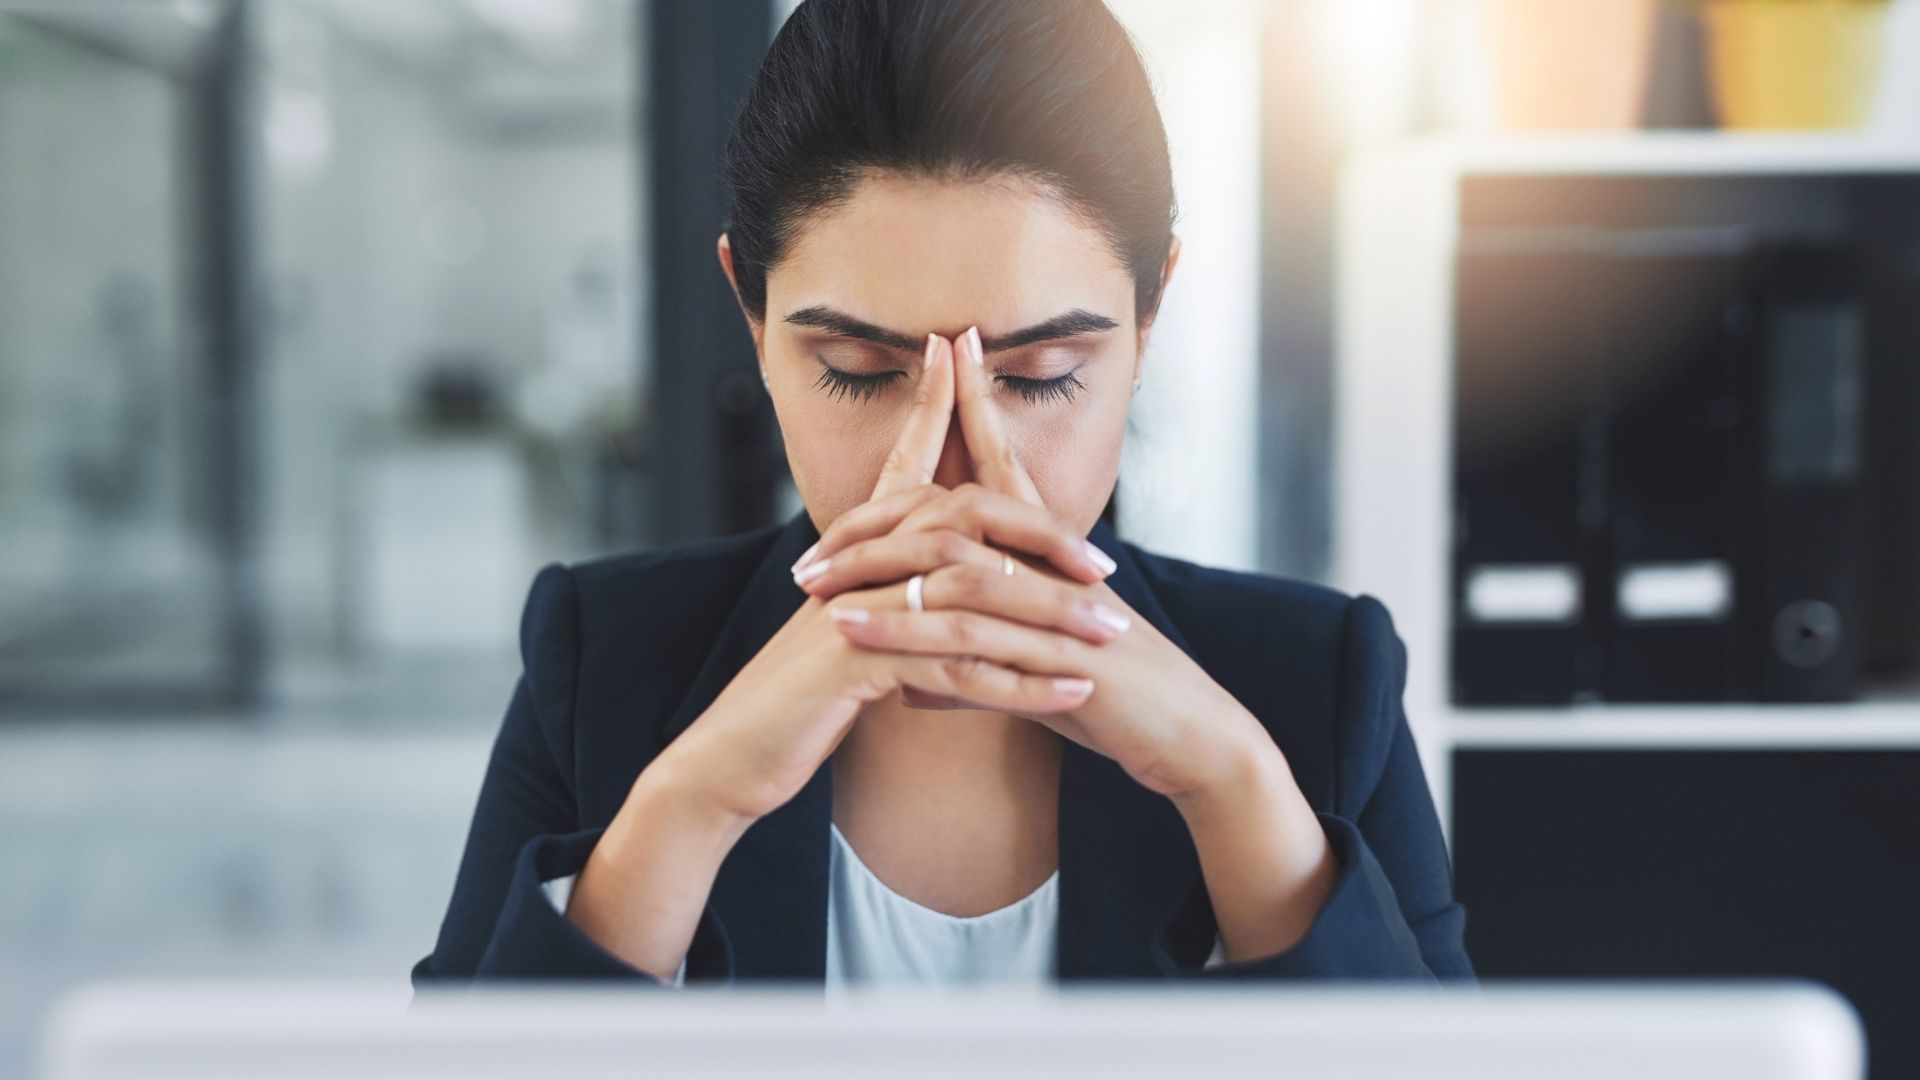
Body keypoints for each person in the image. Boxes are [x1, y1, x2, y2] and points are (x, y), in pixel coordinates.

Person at [413, 0, 1472, 990]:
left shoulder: (1317, 691)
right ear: (754, 322)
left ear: (1147, 325)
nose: (953, 468)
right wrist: (693, 803)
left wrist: (1236, 793)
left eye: (1042, 375)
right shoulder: (602, 661)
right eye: (860, 372)